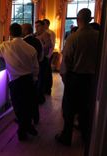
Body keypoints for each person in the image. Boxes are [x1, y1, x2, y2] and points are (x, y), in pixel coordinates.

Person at [55, 8, 99, 146]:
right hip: (92, 78)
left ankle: (66, 136)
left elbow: (66, 61)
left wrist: (65, 78)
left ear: (78, 20)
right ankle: (86, 136)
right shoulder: (99, 36)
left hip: (75, 78)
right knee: (86, 107)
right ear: (91, 20)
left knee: (69, 108)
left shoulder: (73, 38)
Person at [0, 23, 39, 141]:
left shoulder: (5, 46)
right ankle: (27, 126)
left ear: (10, 33)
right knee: (27, 105)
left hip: (15, 81)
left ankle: (23, 131)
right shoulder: (31, 48)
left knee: (18, 107)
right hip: (28, 80)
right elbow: (36, 68)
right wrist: (35, 79)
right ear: (21, 33)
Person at [21, 23, 42, 124]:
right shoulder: (37, 41)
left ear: (25, 31)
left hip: (25, 74)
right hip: (35, 72)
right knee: (33, 97)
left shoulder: (22, 43)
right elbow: (41, 56)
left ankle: (26, 121)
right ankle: (36, 118)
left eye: (22, 29)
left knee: (25, 99)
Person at [35, 20, 53, 97]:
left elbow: (49, 44)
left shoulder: (46, 34)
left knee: (42, 77)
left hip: (43, 58)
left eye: (38, 26)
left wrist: (39, 47)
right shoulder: (36, 34)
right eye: (36, 26)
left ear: (43, 26)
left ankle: (41, 94)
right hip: (38, 58)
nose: (36, 28)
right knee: (39, 76)